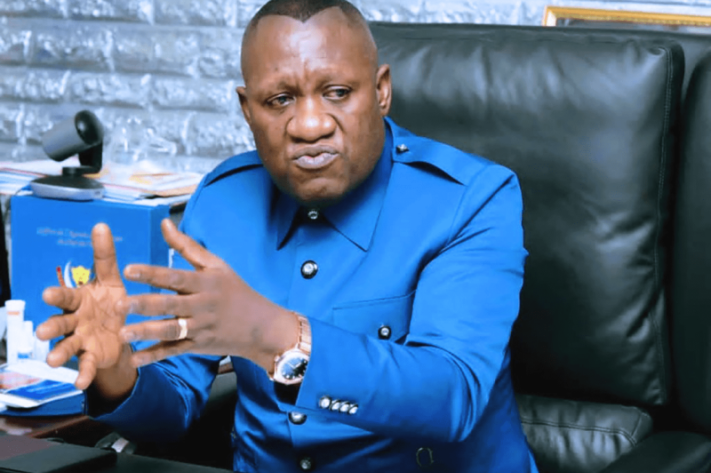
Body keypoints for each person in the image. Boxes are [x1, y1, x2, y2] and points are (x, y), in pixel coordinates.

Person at [36, 0, 538, 471]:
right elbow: (175, 404)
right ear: (247, 109)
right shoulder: (223, 201)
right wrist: (117, 372)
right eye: (280, 100)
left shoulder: (470, 199)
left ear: (381, 91)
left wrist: (274, 334)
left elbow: (451, 397)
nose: (310, 125)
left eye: (337, 93)